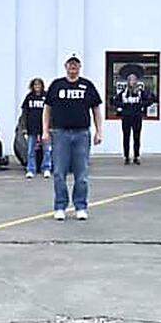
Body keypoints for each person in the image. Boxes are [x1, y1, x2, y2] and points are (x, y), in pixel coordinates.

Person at [42, 54, 104, 221]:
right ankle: (60, 206)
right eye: (70, 65)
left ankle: (81, 206)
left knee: (81, 174)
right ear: (66, 67)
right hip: (60, 133)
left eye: (76, 65)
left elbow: (96, 110)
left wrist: (99, 131)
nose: (73, 67)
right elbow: (47, 109)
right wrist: (45, 131)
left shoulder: (87, 86)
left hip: (82, 134)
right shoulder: (57, 86)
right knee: (59, 173)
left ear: (79, 67)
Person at [113, 73, 156, 165]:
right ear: (128, 82)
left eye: (134, 80)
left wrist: (140, 105)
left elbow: (150, 100)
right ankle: (126, 156)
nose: (132, 82)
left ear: (136, 81)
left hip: (137, 116)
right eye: (130, 80)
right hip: (126, 117)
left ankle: (136, 156)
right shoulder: (123, 93)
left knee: (137, 137)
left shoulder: (141, 92)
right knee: (126, 137)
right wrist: (123, 105)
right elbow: (115, 101)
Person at [21, 78, 52, 179]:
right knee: (30, 150)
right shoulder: (29, 97)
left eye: (39, 85)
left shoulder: (46, 96)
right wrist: (24, 127)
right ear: (32, 87)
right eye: (35, 85)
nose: (37, 87)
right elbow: (24, 113)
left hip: (44, 128)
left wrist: (50, 127)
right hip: (32, 128)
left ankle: (46, 168)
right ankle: (31, 169)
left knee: (46, 149)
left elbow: (51, 112)